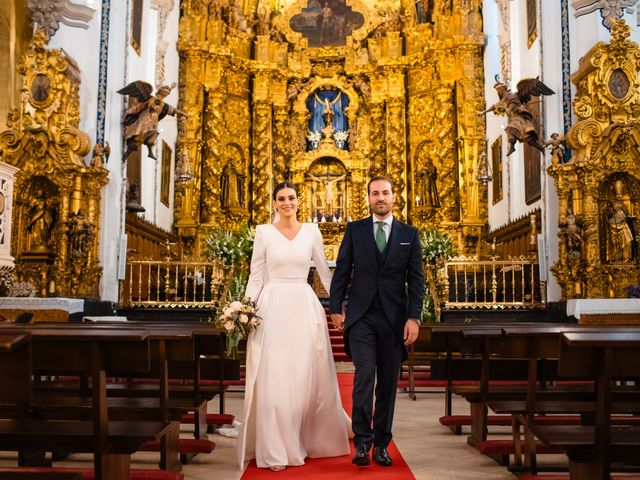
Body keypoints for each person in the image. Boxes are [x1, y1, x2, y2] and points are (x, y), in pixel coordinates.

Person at [238, 181, 350, 472]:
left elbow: (325, 272)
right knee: (274, 378)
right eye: (281, 198)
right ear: (274, 203)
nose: (287, 202)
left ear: (299, 201)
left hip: (303, 305)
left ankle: (307, 435)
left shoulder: (312, 231)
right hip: (271, 306)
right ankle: (277, 447)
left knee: (303, 377)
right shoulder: (264, 233)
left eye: (291, 198)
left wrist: (338, 306)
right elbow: (256, 274)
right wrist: (244, 311)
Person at [330, 176, 424, 467]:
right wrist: (336, 308)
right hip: (361, 317)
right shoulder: (355, 230)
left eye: (385, 193)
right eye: (375, 193)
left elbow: (416, 280)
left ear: (394, 197)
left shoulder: (410, 233)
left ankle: (381, 444)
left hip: (394, 320)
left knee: (387, 385)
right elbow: (343, 271)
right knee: (364, 377)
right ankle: (362, 442)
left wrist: (414, 318)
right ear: (368, 198)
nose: (380, 198)